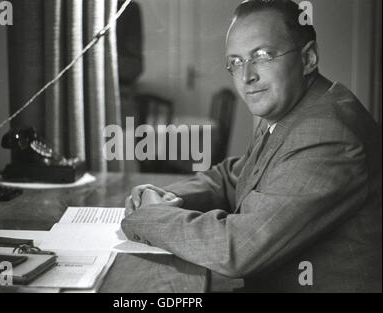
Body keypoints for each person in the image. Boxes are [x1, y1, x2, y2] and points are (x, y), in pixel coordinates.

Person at [121, 0, 382, 292]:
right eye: (235, 62)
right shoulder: (296, 112)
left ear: (308, 58)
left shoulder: (328, 134)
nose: (247, 77)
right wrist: (166, 195)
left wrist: (150, 216)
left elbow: (238, 248)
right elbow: (232, 178)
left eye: (263, 55)